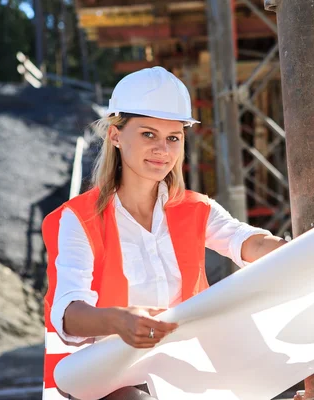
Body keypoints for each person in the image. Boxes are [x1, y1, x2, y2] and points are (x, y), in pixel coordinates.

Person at [41, 66, 288, 400]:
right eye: (148, 134)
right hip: (108, 379)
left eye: (173, 137)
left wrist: (297, 248)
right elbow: (69, 313)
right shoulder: (79, 219)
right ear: (115, 136)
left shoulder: (196, 209)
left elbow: (247, 241)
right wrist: (118, 321)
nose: (163, 149)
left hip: (182, 369)